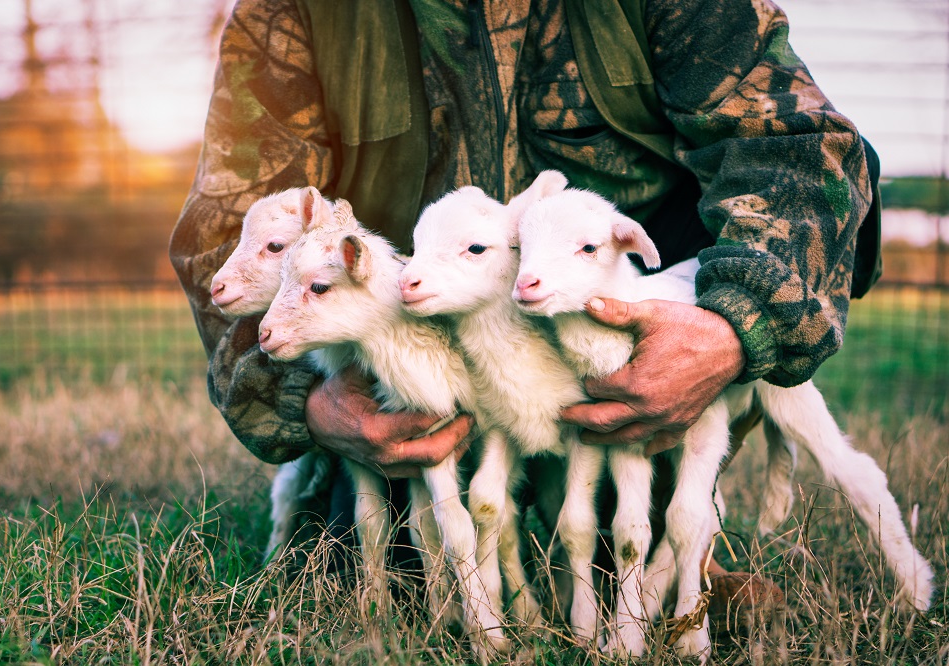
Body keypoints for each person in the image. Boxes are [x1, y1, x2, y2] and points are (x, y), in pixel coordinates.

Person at [170, 0, 878, 632]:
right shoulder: (296, 11)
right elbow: (227, 238)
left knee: (630, 549)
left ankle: (678, 541)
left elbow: (799, 150)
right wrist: (310, 400)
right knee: (375, 586)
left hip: (634, 393)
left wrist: (732, 326)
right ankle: (358, 522)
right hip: (402, 406)